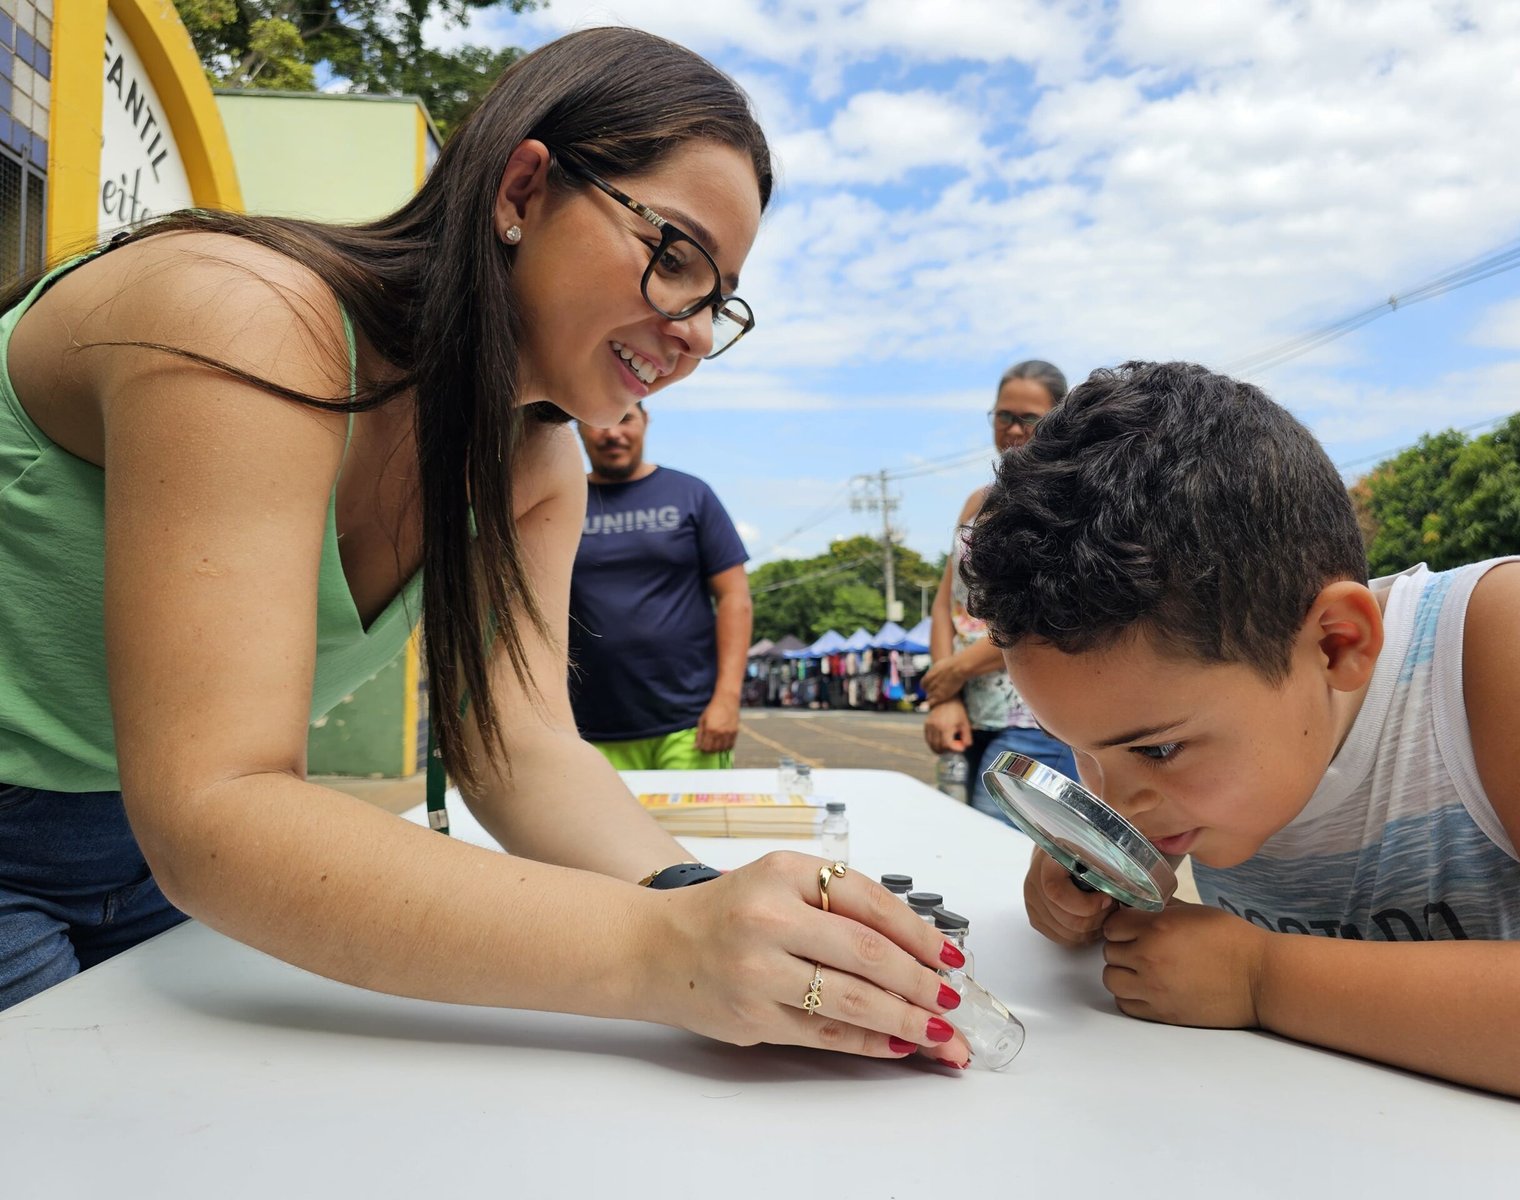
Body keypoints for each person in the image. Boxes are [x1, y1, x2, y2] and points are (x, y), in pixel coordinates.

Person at [0, 28, 971, 1068]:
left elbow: (520, 747)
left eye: (719, 298)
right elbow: (215, 808)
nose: (692, 328)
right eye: (674, 254)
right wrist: (663, 951)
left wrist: (702, 906)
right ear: (521, 189)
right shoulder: (244, 316)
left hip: (152, 872)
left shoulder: (535, 463)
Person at [962, 360, 1520, 1110]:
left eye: (1157, 749)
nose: (1118, 804)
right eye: (1078, 747)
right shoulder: (1219, 716)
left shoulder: (1504, 641)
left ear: (1335, 645)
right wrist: (1097, 891)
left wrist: (1262, 978)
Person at [922, 360, 1081, 821]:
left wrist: (955, 670)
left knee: (998, 867)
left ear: (1057, 420)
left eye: (1028, 419)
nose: (1013, 429)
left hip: (1035, 720)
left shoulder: (1069, 500)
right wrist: (946, 697)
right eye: (1003, 415)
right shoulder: (978, 500)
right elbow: (946, 602)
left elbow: (1051, 610)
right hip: (971, 716)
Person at [569, 401, 750, 769]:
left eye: (625, 419)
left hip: (690, 725)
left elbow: (735, 598)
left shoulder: (690, 494)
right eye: (599, 420)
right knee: (602, 829)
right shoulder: (562, 500)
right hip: (584, 728)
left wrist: (727, 699)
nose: (613, 433)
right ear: (578, 428)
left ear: (645, 421)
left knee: (693, 829)